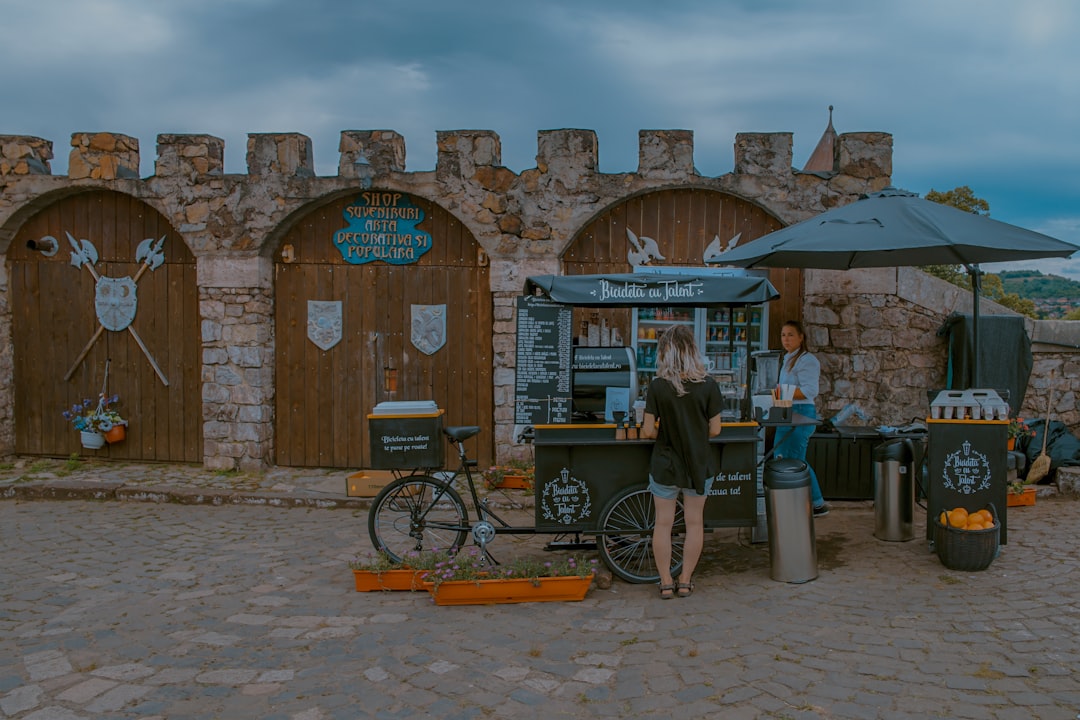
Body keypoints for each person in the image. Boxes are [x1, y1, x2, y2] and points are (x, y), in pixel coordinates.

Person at [640, 325, 723, 599]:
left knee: (663, 523)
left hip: (666, 464)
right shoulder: (709, 385)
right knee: (694, 523)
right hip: (698, 464)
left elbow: (648, 431)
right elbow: (715, 430)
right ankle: (685, 580)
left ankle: (665, 582)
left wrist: (666, 425)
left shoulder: (657, 386)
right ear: (692, 350)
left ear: (667, 352)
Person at [772, 320, 829, 516]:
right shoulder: (788, 358)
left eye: (790, 335)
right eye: (783, 335)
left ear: (801, 337)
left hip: (801, 414)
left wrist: (780, 392)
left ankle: (817, 503)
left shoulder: (808, 360)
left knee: (795, 460)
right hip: (786, 413)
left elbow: (810, 390)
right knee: (783, 457)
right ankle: (796, 500)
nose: (786, 339)